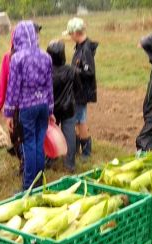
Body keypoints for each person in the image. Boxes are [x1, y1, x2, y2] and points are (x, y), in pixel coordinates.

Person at [4, 21, 55, 191]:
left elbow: (13, 87)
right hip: (42, 106)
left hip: (27, 107)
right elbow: (49, 86)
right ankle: (39, 182)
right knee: (39, 144)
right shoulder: (46, 56)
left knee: (29, 145)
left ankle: (28, 186)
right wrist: (50, 110)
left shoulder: (17, 58)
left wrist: (9, 114)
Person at [65, 17, 98, 160]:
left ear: (76, 33)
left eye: (70, 34)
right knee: (78, 119)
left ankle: (86, 151)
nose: (70, 37)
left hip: (82, 91)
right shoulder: (80, 47)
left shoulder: (85, 50)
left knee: (80, 120)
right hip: (78, 90)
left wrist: (73, 71)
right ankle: (78, 147)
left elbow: (89, 71)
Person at [47, 40, 81, 173]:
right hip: (68, 108)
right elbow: (78, 88)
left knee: (49, 135)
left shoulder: (46, 72)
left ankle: (49, 158)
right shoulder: (72, 70)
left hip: (52, 109)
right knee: (69, 135)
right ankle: (70, 164)